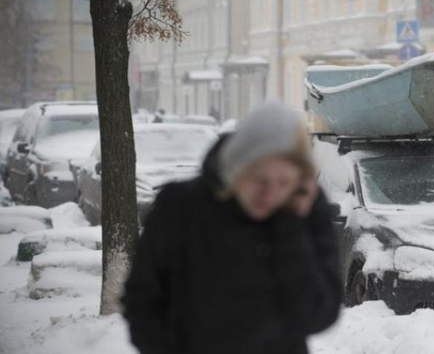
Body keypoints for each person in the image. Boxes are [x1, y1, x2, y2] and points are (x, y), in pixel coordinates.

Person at [122, 104, 342, 354]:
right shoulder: (181, 206)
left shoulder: (305, 207)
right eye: (259, 179)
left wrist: (289, 226)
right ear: (236, 167)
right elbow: (142, 299)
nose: (270, 194)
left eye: (284, 182)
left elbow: (318, 316)